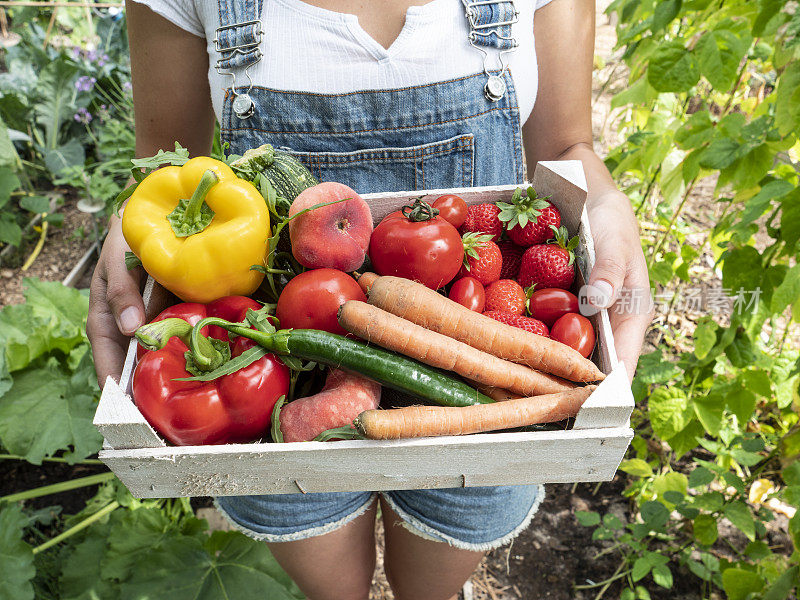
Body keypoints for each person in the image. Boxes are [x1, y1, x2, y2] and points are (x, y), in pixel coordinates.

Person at [87, 1, 653, 599]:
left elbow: (568, 144)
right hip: (275, 376)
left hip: (478, 396)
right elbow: (163, 162)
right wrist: (135, 225)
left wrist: (605, 202)